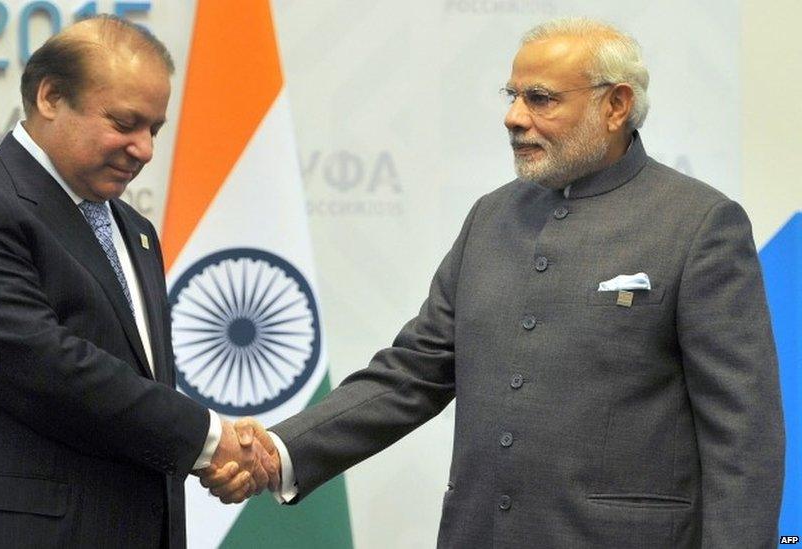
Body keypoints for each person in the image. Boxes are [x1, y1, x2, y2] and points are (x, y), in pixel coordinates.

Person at [203, 17, 785, 547]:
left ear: (616, 105)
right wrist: (279, 451)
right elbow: (413, 371)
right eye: (513, 96)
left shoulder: (698, 224)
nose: (514, 117)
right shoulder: (491, 216)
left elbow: (742, 436)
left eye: (541, 99)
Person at [0, 15, 273, 549]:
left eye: (154, 129)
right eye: (125, 123)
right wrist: (209, 440)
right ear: (49, 97)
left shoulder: (136, 232)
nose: (145, 150)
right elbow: (46, 367)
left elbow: (139, 388)